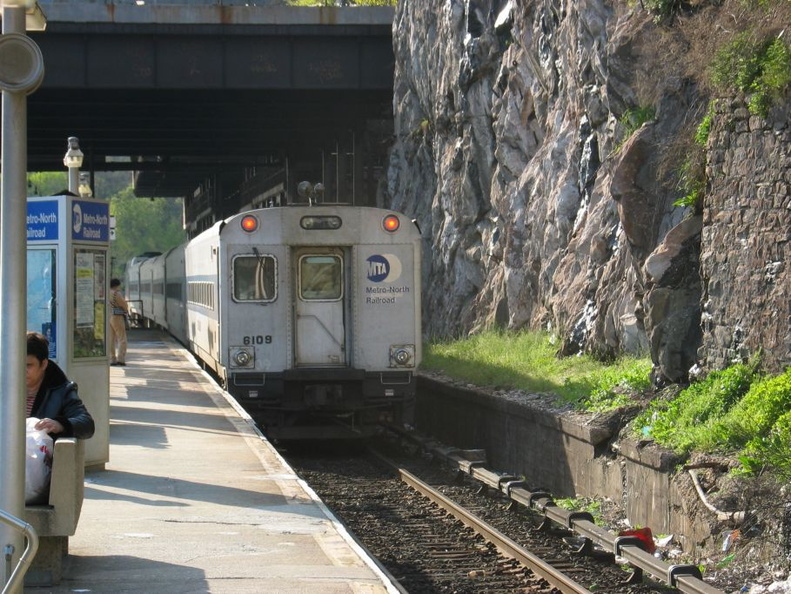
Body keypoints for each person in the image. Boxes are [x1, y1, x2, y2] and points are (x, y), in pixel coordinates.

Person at [26, 331, 95, 440]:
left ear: (43, 364)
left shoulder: (62, 390)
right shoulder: (5, 388)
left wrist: (60, 425)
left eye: (28, 365)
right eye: (15, 364)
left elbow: (87, 424)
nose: (20, 370)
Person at [109, 277, 129, 366]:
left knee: (111, 339)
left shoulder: (107, 292)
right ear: (117, 285)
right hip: (117, 316)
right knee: (122, 338)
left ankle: (112, 358)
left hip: (108, 316)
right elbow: (124, 304)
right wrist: (126, 310)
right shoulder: (116, 294)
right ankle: (121, 359)